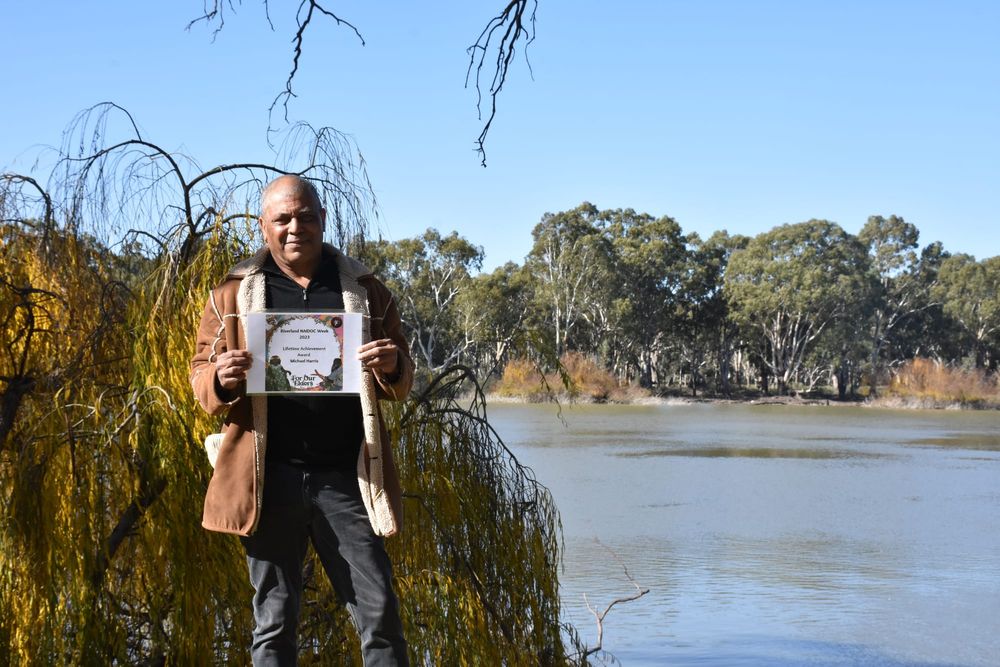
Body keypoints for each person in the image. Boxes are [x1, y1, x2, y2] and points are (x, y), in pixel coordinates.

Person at [190, 174, 413, 665]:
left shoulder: (366, 289)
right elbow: (199, 377)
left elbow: (402, 375)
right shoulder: (231, 293)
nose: (296, 228)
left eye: (306, 216)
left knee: (380, 618)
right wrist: (222, 378)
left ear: (323, 220)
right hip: (268, 480)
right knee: (273, 624)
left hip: (347, 479)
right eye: (283, 218)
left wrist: (393, 365)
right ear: (263, 226)